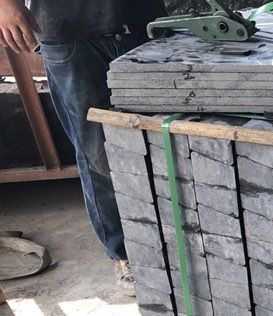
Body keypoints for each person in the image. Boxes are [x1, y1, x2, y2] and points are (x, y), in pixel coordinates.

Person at [0, 0, 168, 295]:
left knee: (164, 144)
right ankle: (124, 253)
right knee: (96, 154)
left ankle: (174, 240)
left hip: (142, 24)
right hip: (70, 34)